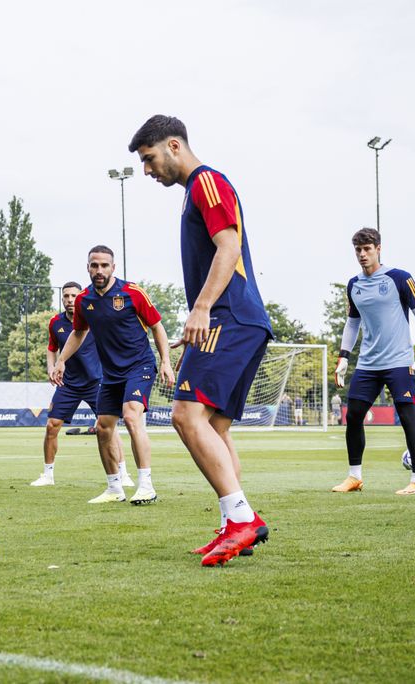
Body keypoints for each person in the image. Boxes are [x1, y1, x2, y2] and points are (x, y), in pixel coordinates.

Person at [130, 115, 275, 566]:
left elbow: (228, 247)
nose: (148, 171)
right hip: (234, 319)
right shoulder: (195, 192)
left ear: (174, 146)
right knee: (214, 427)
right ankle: (238, 522)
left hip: (228, 318)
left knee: (184, 415)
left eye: (150, 159)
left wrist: (202, 309)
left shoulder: (206, 183)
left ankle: (241, 520)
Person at [50, 246, 171, 505]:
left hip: (140, 366)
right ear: (88, 268)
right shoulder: (84, 300)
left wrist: (166, 362)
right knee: (103, 428)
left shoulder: (132, 293)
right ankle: (114, 488)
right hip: (111, 374)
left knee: (130, 415)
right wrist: (61, 361)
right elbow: (78, 333)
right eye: (94, 265)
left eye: (104, 265)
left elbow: (157, 327)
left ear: (113, 268)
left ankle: (146, 486)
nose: (99, 270)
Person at [330, 227, 415, 496]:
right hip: (367, 363)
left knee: (408, 418)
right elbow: (352, 324)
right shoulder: (354, 285)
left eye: (367, 249)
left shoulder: (400, 278)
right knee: (353, 416)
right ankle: (354, 477)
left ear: (378, 248)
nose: (362, 254)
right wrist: (343, 356)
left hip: (399, 362)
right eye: (358, 250)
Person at [30, 281, 116, 487]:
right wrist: (51, 368)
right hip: (68, 384)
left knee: (107, 427)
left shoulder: (94, 319)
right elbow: (51, 348)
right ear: (62, 299)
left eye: (74, 296)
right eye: (66, 296)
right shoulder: (55, 323)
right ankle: (48, 475)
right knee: (52, 426)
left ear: (81, 297)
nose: (70, 300)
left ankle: (122, 473)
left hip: (97, 382)